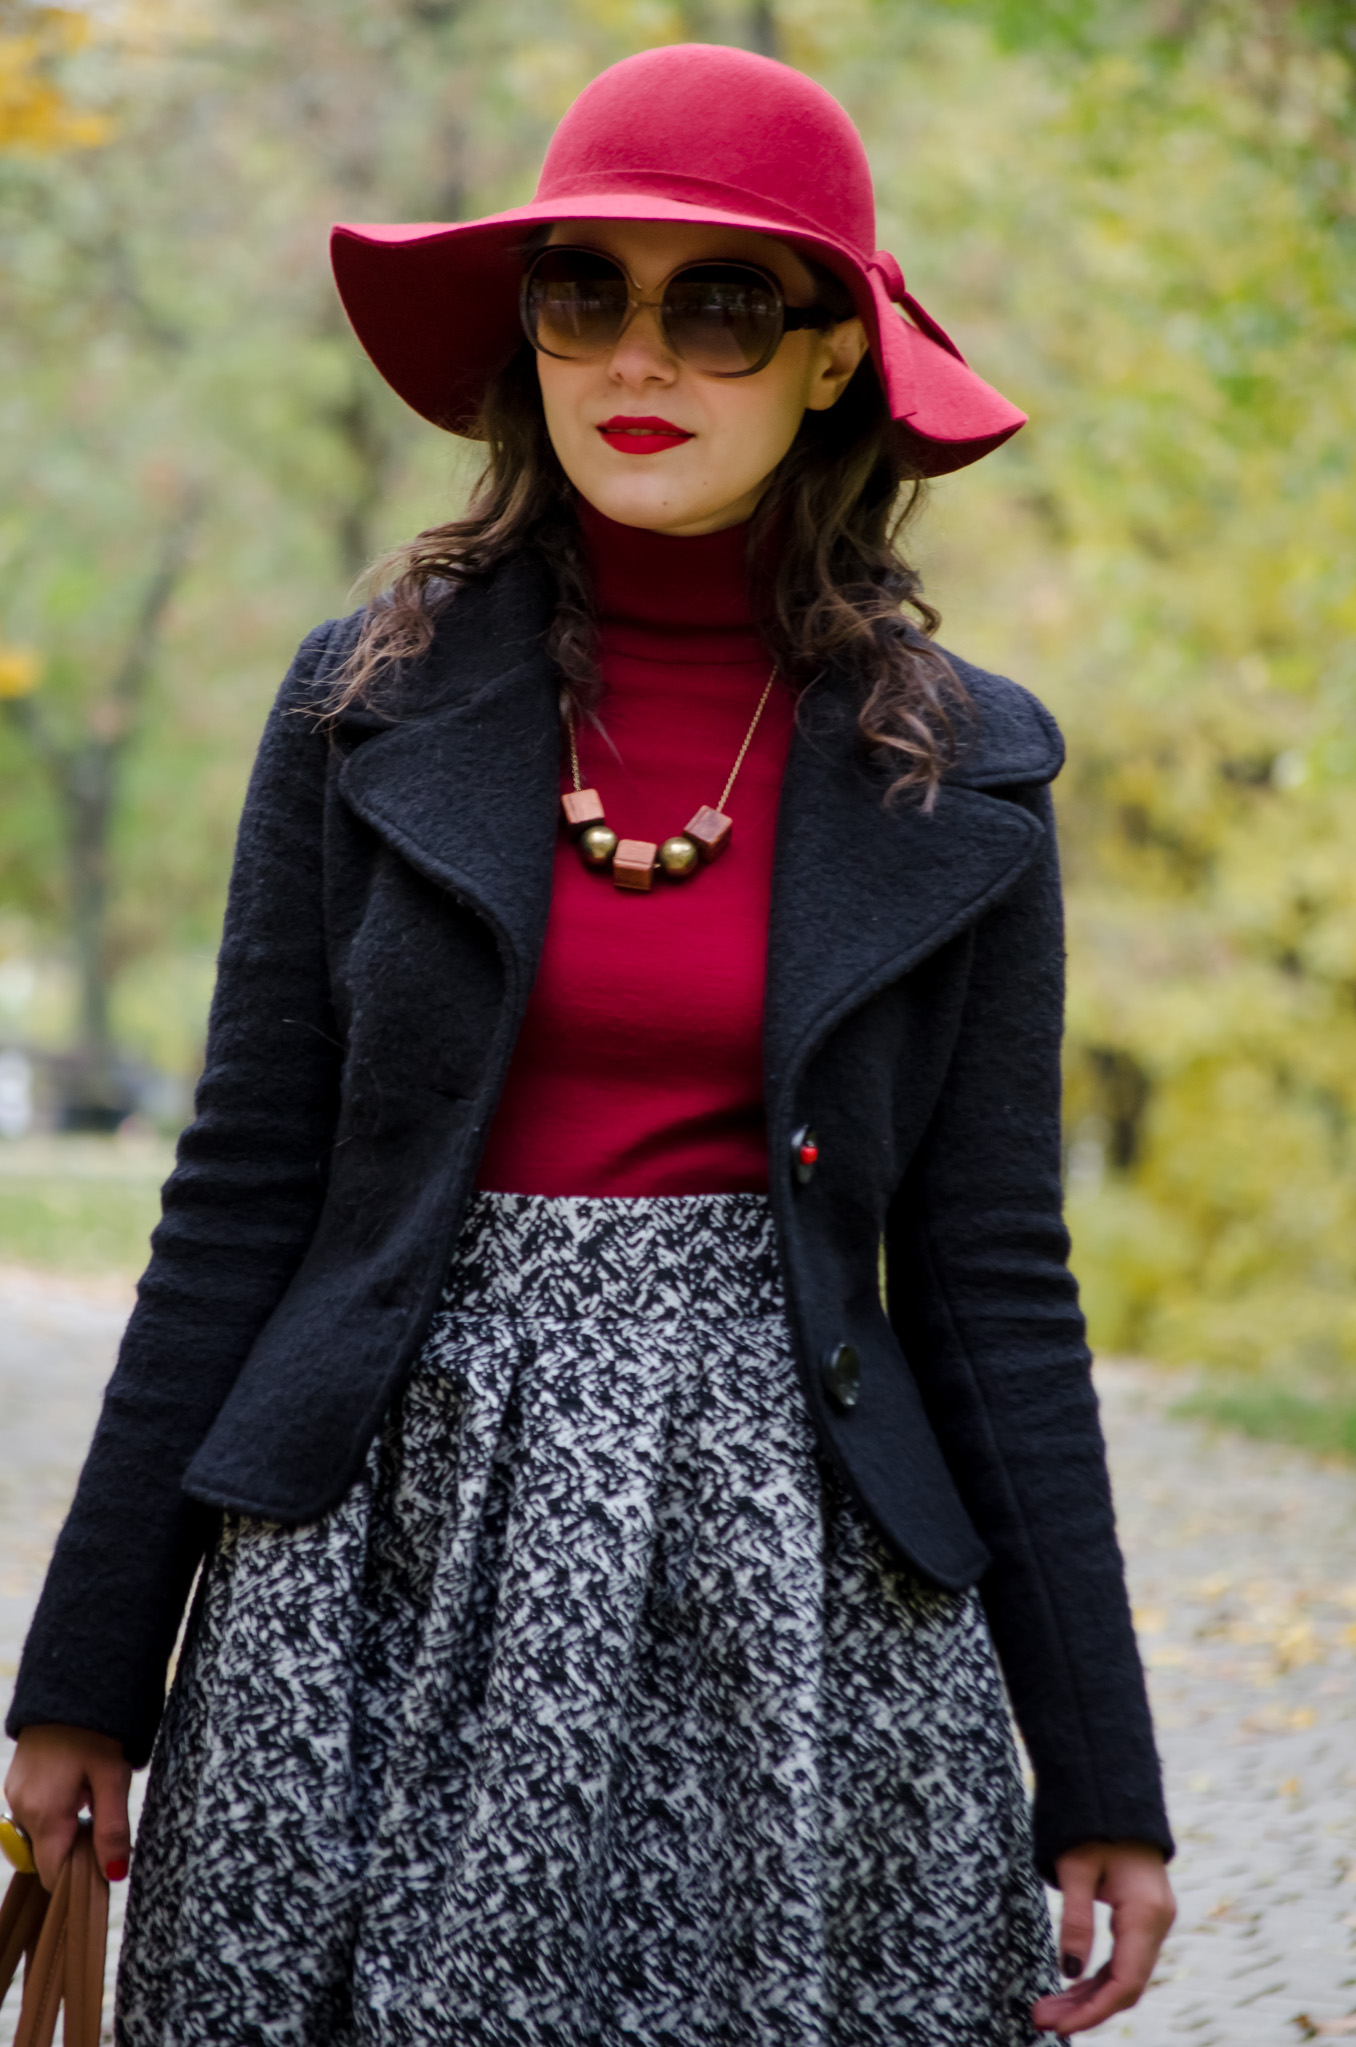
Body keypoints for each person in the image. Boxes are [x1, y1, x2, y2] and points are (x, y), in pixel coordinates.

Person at [3, 42, 1175, 2047]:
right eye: (584, 292)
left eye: (721, 301)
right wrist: (86, 1668)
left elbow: (991, 1279)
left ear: (833, 357)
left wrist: (1107, 1781)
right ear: (527, 334)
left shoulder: (959, 769)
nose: (643, 353)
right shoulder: (364, 698)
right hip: (374, 1558)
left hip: (798, 1594)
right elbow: (244, 1189)